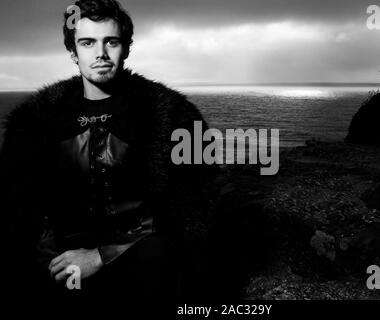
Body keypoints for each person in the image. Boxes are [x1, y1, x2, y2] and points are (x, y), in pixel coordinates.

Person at [0, 0, 217, 300]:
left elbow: (194, 208)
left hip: (141, 256)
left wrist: (102, 255)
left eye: (111, 42)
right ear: (73, 52)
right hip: (59, 262)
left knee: (159, 256)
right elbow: (18, 211)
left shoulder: (173, 116)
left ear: (125, 48)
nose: (100, 54)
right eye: (87, 43)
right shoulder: (36, 120)